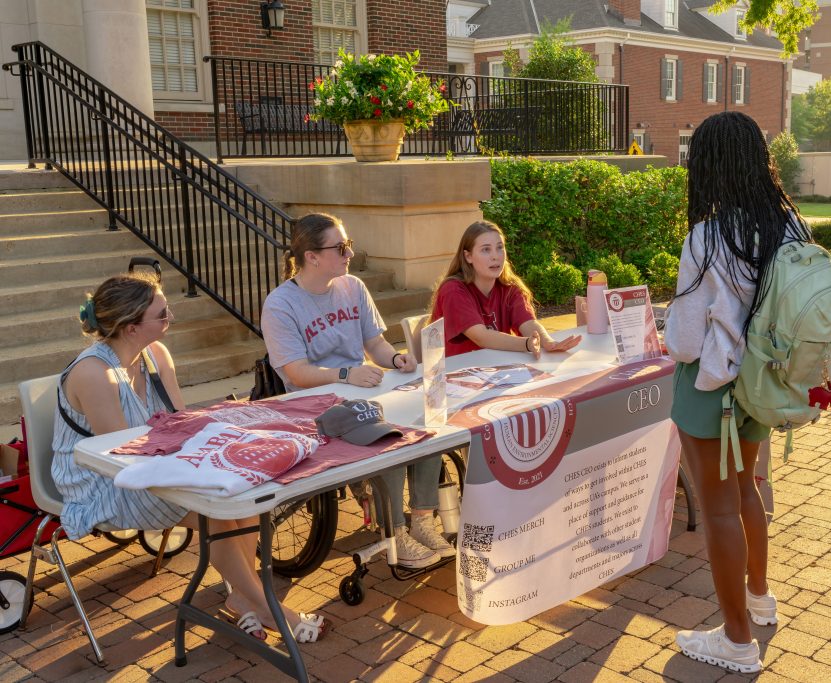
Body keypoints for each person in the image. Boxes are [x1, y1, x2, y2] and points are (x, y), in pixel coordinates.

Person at [54, 273, 329, 643]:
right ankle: (267, 606)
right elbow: (121, 458)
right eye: (163, 315)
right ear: (132, 327)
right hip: (103, 482)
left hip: (156, 463)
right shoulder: (94, 373)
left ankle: (240, 598)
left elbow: (181, 426)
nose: (171, 319)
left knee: (240, 496)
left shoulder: (155, 354)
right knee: (217, 512)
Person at [667, 112, 812, 674]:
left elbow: (683, 341)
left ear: (709, 166)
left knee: (719, 506)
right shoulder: (791, 227)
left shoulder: (707, 236)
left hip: (713, 389)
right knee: (749, 486)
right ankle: (758, 597)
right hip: (764, 382)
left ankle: (735, 640)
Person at [260, 213, 452, 569]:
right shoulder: (281, 304)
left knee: (428, 419)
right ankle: (394, 533)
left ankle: (422, 521)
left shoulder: (353, 287)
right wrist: (347, 373)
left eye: (348, 245)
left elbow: (374, 344)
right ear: (311, 256)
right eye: (341, 247)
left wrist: (395, 359)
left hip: (360, 393)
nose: (350, 254)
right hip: (313, 403)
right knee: (389, 435)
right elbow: (296, 373)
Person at [428, 220, 582, 358]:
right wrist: (527, 344)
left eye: (500, 248)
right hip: (454, 379)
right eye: (486, 250)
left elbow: (528, 324)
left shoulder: (510, 288)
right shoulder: (453, 290)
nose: (495, 256)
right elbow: (481, 337)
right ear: (468, 256)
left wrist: (548, 342)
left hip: (496, 373)